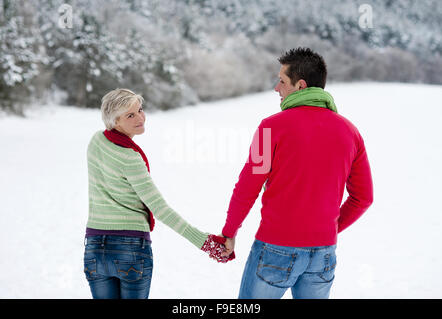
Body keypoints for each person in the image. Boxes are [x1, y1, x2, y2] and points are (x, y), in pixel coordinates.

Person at [220, 47, 374, 299]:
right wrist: (328, 230)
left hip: (274, 250)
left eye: (281, 81)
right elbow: (363, 198)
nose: (276, 88)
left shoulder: (269, 128)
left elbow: (248, 187)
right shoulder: (351, 132)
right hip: (323, 254)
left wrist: (229, 233)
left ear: (300, 85)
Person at [84, 88, 233, 299]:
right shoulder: (130, 158)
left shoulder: (95, 142)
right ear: (114, 121)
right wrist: (205, 242)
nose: (141, 117)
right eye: (130, 115)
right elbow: (160, 209)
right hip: (131, 248)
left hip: (95, 248)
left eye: (140, 110)